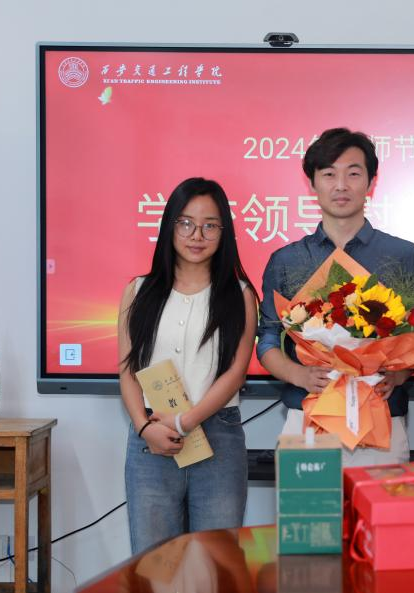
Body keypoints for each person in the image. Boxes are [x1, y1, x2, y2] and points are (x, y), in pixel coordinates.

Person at [257, 127, 414, 466]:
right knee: (311, 505)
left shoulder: (402, 255)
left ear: (371, 182)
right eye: (329, 174)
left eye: (353, 173)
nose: (341, 185)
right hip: (308, 417)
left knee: (382, 505)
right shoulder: (287, 261)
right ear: (312, 183)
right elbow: (268, 339)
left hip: (382, 419)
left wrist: (400, 375)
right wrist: (299, 375)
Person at [118, 177, 257, 554]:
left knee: (216, 563)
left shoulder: (241, 295)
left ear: (224, 232)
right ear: (170, 226)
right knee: (154, 564)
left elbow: (236, 373)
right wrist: (143, 426)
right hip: (151, 436)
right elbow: (127, 371)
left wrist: (186, 421)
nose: (197, 235)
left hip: (218, 437)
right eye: (186, 223)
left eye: (210, 225)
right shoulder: (138, 291)